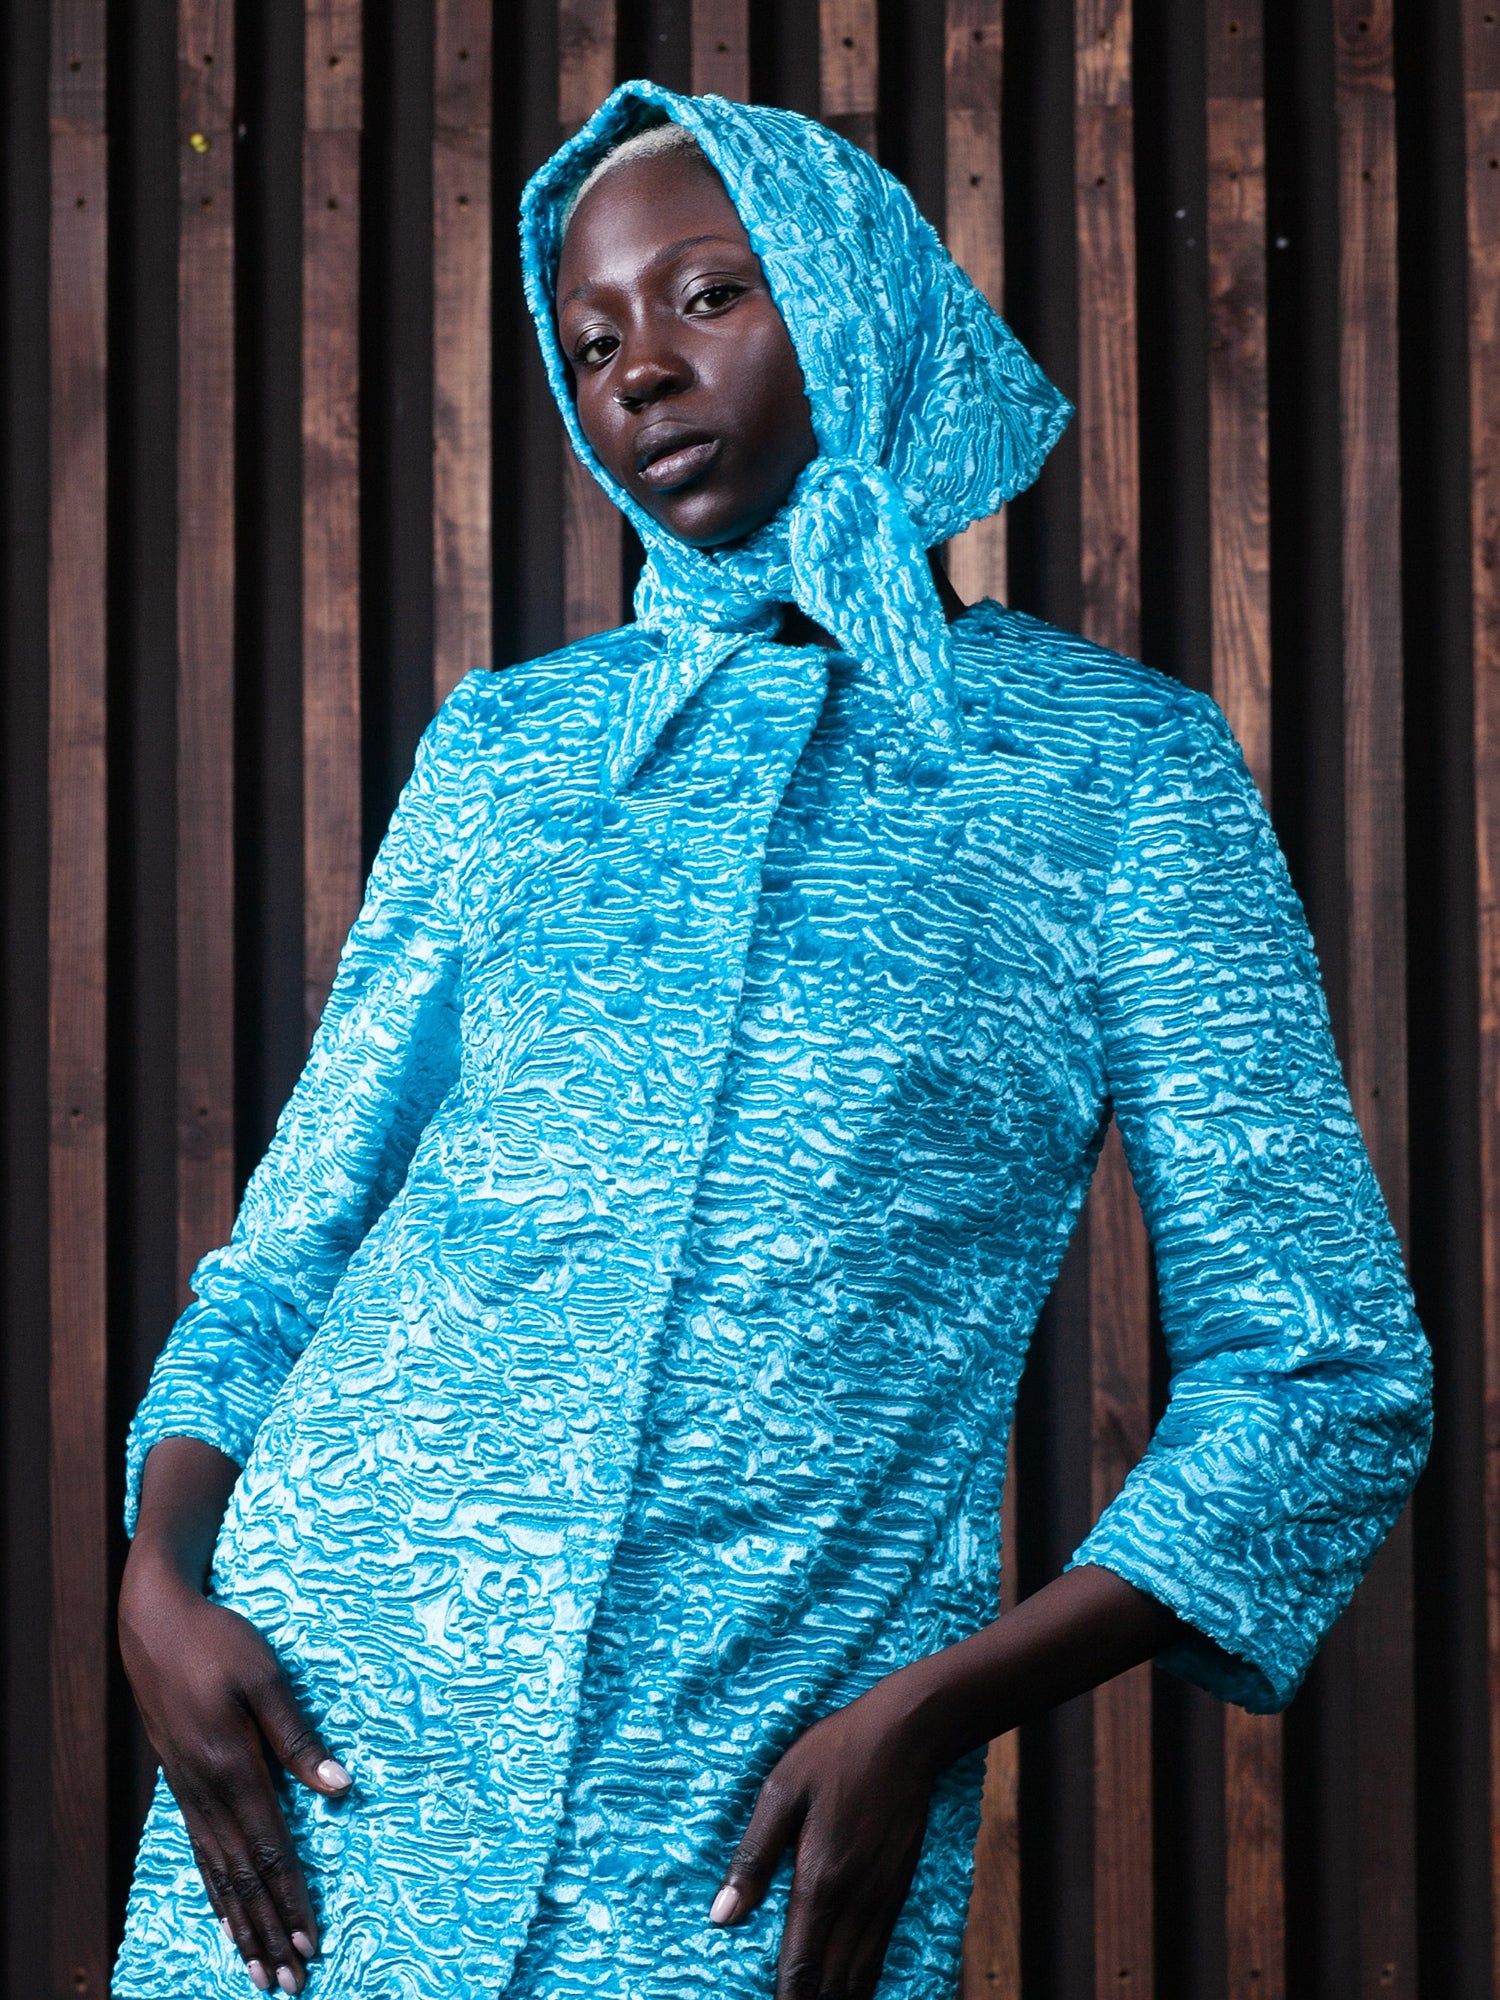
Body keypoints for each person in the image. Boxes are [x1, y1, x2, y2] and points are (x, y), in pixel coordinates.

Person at [114, 84, 1431, 2000]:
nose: (642, 369)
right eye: (592, 343)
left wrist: (934, 1711)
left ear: (856, 292)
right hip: (323, 1717)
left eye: (710, 295)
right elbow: (290, 1251)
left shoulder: (1117, 772)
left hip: (748, 1778)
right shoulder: (508, 750)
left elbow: (1321, 1368)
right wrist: (156, 1585)